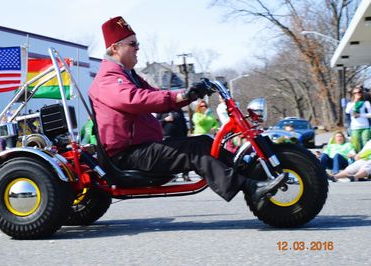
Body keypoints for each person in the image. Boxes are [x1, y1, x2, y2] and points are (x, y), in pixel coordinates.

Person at [88, 16, 286, 206]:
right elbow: (136, 99)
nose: (138, 48)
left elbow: (157, 95)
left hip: (143, 148)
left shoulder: (128, 75)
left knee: (204, 141)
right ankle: (251, 187)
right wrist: (180, 97)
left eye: (137, 44)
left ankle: (252, 174)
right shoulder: (109, 78)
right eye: (132, 44)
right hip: (127, 155)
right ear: (115, 48)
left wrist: (189, 94)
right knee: (195, 149)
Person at [157, 109, 191, 181]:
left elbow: (183, 124)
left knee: (184, 156)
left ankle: (185, 174)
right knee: (169, 157)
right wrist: (165, 120)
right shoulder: (160, 110)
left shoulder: (178, 110)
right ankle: (172, 174)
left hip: (180, 136)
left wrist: (185, 136)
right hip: (167, 137)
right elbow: (157, 123)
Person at [345, 85, 371, 152]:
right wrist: (354, 102)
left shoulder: (366, 103)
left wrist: (360, 115)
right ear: (352, 94)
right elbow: (347, 111)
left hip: (365, 127)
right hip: (355, 127)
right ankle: (357, 160)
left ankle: (367, 160)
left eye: (359, 92)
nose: (357, 94)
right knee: (356, 145)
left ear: (362, 93)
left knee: (366, 144)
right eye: (355, 93)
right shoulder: (350, 104)